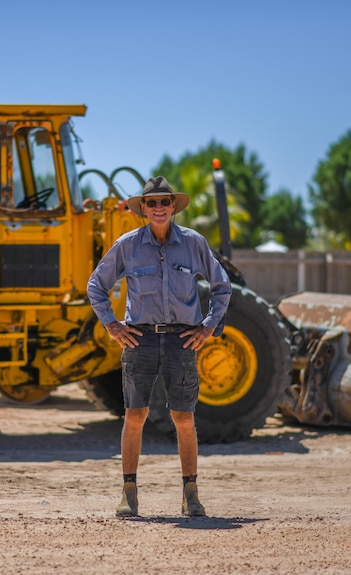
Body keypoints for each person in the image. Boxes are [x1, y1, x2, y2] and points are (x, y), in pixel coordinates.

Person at [86, 175, 232, 517]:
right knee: (135, 415)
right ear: (143, 209)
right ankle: (129, 493)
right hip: (140, 339)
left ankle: (191, 494)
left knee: (183, 416)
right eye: (152, 203)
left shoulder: (193, 243)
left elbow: (222, 286)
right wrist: (111, 324)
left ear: (173, 207)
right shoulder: (127, 245)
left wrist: (208, 328)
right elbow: (96, 285)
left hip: (183, 339)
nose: (159, 208)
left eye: (165, 202)